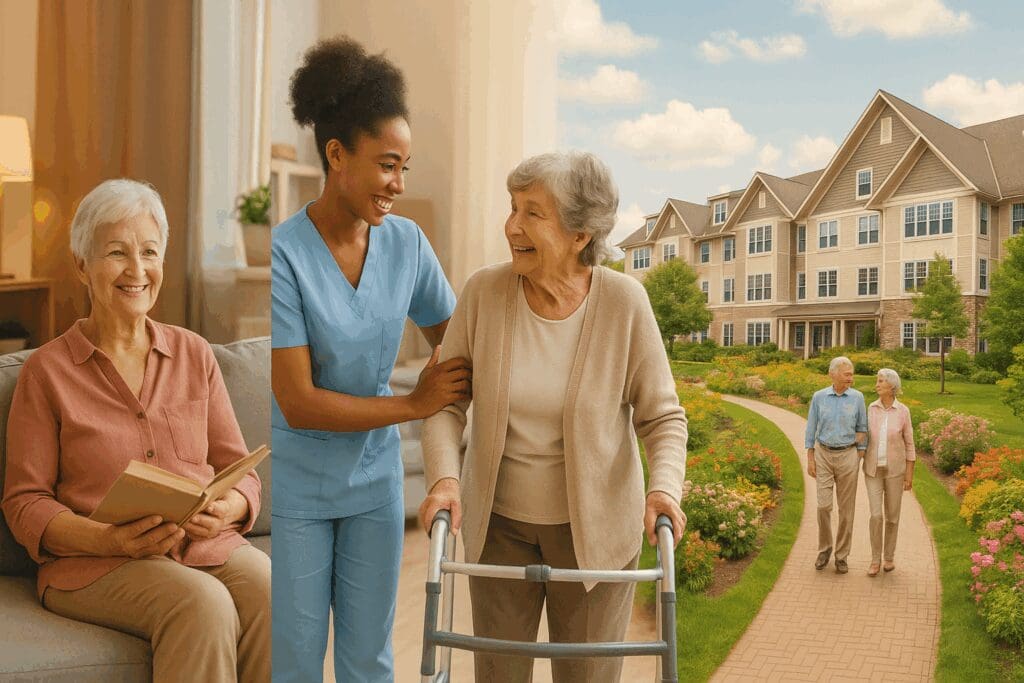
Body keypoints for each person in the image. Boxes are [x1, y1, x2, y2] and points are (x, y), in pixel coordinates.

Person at [418, 150, 687, 683]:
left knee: (588, 676)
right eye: (512, 207)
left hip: (597, 537)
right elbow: (445, 404)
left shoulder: (625, 303)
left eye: (533, 213)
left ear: (580, 234)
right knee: (498, 675)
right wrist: (444, 479)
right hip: (498, 530)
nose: (512, 226)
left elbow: (662, 418)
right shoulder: (483, 293)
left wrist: (663, 490)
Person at [1, 179, 268, 682]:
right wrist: (109, 539)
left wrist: (229, 507)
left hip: (202, 546)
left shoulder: (194, 354)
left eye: (149, 252)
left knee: (276, 591)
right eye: (117, 253)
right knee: (203, 604)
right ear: (82, 265)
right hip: (93, 563)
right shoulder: (46, 372)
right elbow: (25, 503)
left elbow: (241, 472)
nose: (137, 270)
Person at [270, 37, 470, 683]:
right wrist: (413, 405)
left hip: (374, 483)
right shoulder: (287, 252)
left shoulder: (406, 243)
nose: (399, 186)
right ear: (337, 155)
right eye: (387, 165)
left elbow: (458, 341)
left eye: (404, 167)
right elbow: (298, 401)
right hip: (301, 488)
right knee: (297, 661)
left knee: (369, 662)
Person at [805, 355, 868, 574]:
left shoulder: (857, 398)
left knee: (846, 510)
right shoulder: (819, 397)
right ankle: (825, 549)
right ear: (833, 374)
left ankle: (842, 556)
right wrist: (810, 458)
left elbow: (863, 428)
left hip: (848, 455)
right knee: (823, 506)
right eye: (846, 374)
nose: (851, 378)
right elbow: (811, 428)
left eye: (852, 374)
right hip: (823, 454)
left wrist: (858, 454)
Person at [863, 368, 916, 576]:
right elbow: (863, 436)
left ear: (892, 386)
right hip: (872, 470)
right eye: (877, 381)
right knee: (876, 515)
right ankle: (875, 559)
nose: (877, 384)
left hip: (895, 471)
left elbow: (909, 444)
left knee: (892, 517)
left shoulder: (903, 411)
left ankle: (889, 557)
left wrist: (909, 475)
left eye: (881, 381)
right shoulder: (871, 408)